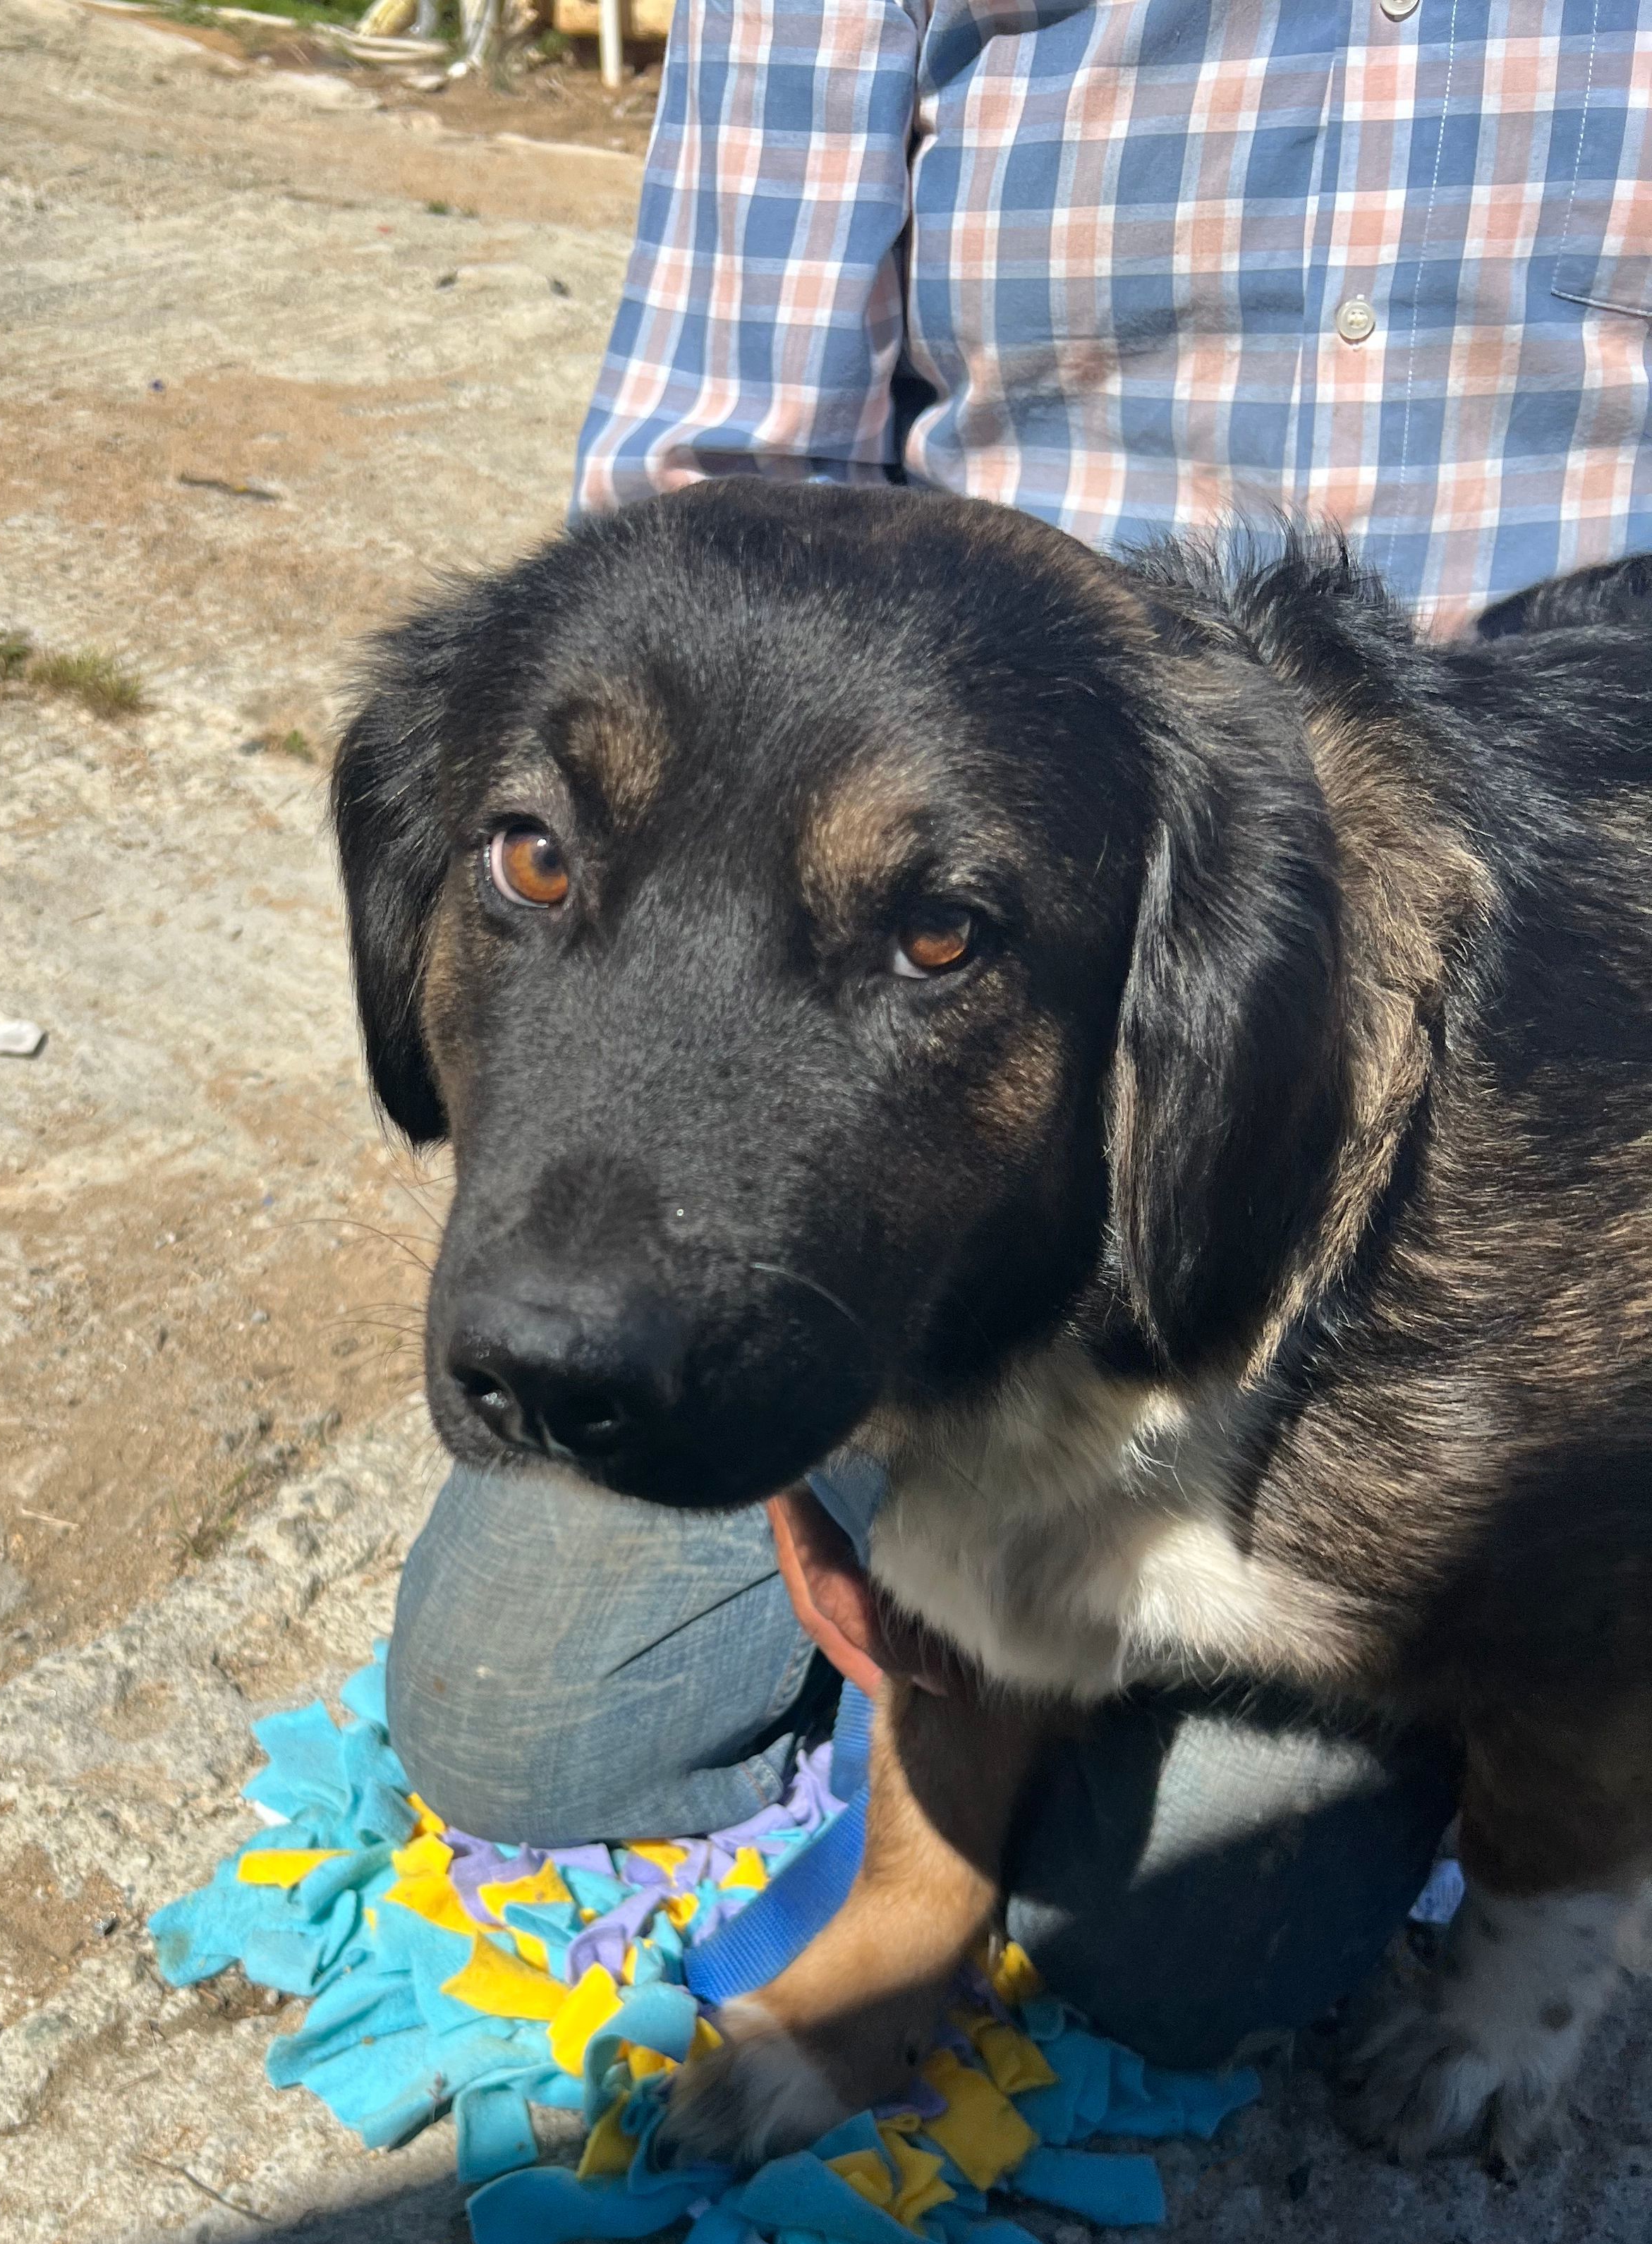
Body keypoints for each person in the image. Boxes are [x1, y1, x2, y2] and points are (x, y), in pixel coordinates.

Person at [382, 0, 1652, 2070]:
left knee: (1180, 1958)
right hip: (948, 727)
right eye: (524, 866)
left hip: (1382, 912)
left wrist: (1535, 1952)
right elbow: (688, 527)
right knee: (519, 1719)